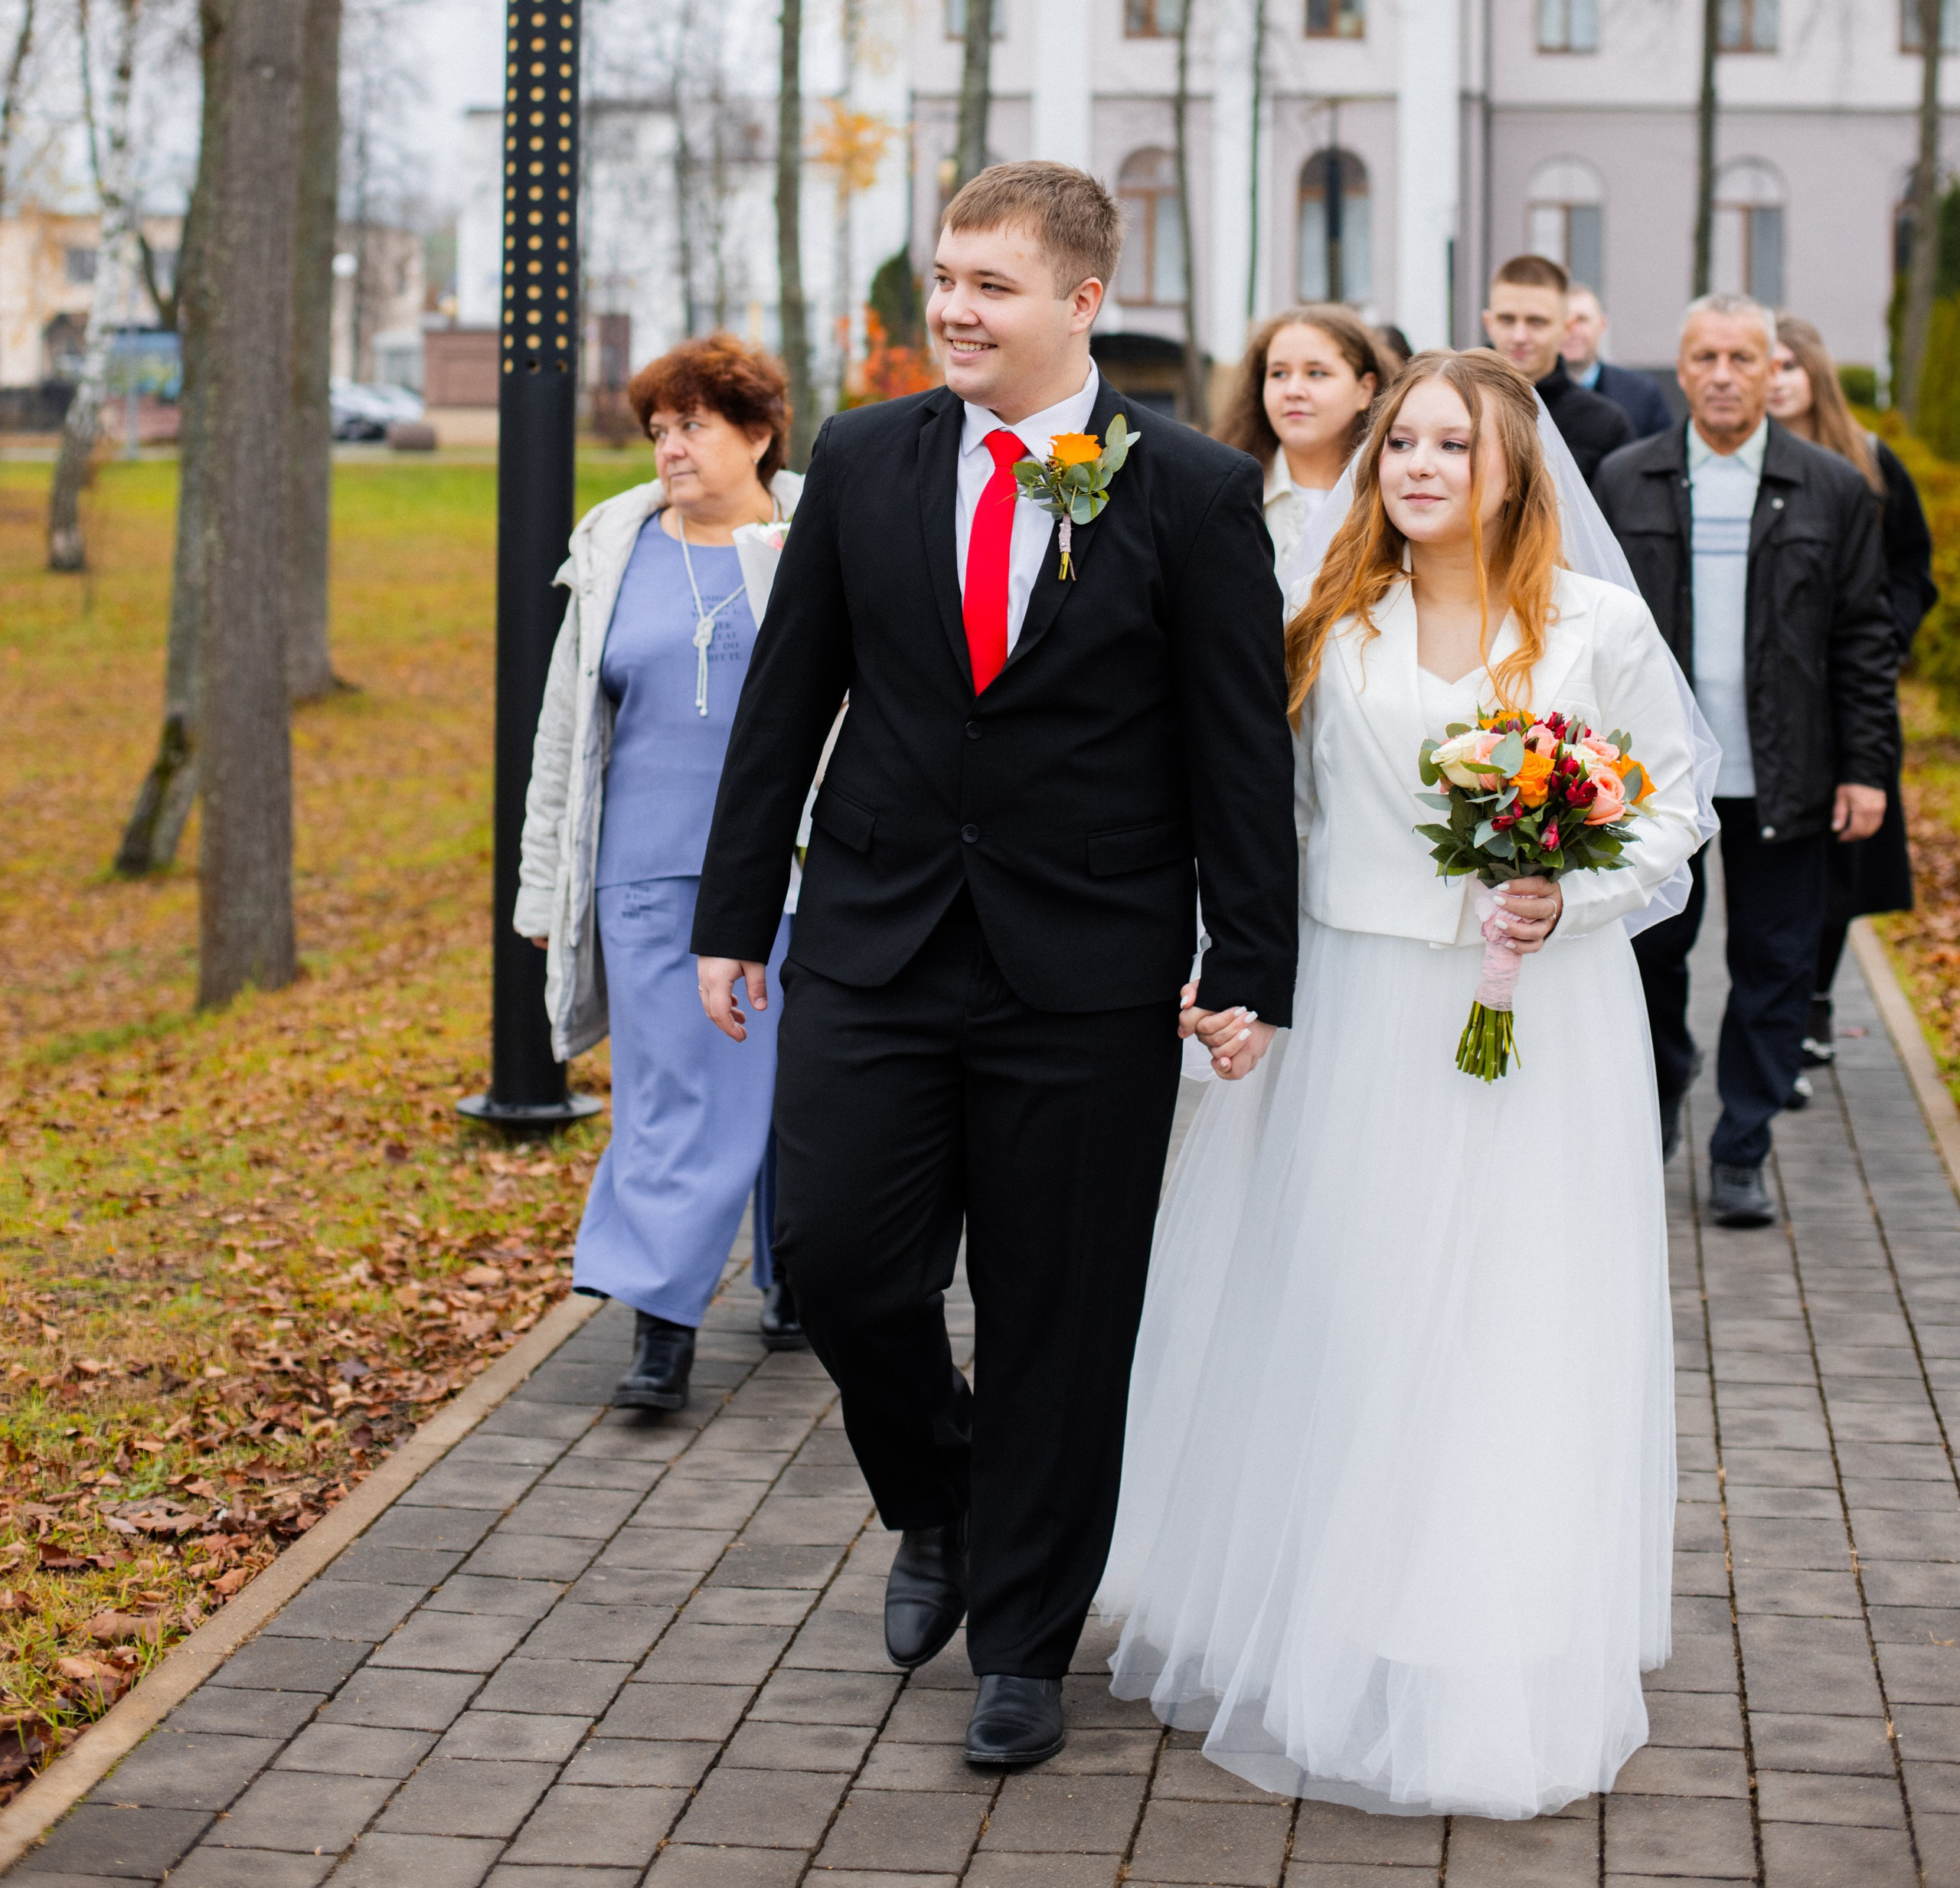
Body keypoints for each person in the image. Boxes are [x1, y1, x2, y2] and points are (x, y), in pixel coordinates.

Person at [691, 160, 1298, 1774]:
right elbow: (786, 700)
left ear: (1080, 301)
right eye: (944, 278)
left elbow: (1236, 747)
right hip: (875, 941)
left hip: (1086, 965)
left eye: (989, 286)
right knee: (833, 1262)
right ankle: (938, 1501)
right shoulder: (864, 454)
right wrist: (732, 910)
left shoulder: (1185, 488)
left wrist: (1250, 958)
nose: (951, 309)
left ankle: (1024, 1636)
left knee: (1059, 1313)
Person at [1102, 351, 1705, 1818]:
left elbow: (1672, 807)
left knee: (1508, 1313)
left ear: (1514, 466)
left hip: (1537, 1018)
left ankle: (1483, 1627)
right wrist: (1230, 972)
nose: (1420, 466)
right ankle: (1332, 1603)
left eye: (1452, 444)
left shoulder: (1594, 628)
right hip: (1358, 1004)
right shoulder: (1328, 625)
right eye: (1401, 445)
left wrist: (1574, 893)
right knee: (1349, 1302)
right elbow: (1263, 822)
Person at [514, 334, 805, 1413]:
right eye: (660, 428)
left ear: (761, 432)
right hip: (645, 874)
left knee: (803, 1087)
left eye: (695, 425)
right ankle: (662, 1320)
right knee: (672, 1097)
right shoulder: (617, 545)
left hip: (797, 869)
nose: (672, 448)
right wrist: (546, 884)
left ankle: (797, 1280)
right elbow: (563, 732)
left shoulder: (817, 534)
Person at [1597, 296, 1896, 1223]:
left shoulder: (1832, 487)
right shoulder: (1624, 478)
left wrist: (1866, 767)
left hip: (1790, 770)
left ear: (1774, 371)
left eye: (1740, 356)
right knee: (1650, 956)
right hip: (1651, 777)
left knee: (1773, 963)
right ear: (1678, 371)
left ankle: (1742, 1147)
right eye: (1702, 356)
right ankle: (1657, 1099)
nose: (1721, 373)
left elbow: (1863, 637)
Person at [1767, 315, 1936, 1068]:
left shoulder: (1866, 462)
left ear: (1814, 375)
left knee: (1843, 847)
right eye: (1760, 364)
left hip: (1852, 686)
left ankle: (1815, 996)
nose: (1772, 379)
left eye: (1785, 366)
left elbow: (1911, 565)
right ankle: (1786, 1001)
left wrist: (1885, 636)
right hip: (1779, 688)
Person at [1215, 305, 1385, 586]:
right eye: (1278, 374)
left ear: (1364, 389)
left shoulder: (1395, 496)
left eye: (1316, 373)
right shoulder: (1222, 492)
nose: (1293, 391)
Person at [1483, 252, 1632, 487]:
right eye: (1507, 320)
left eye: (1536, 322)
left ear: (1566, 328)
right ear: (1488, 323)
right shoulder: (1456, 406)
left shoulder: (1603, 425)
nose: (1519, 336)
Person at [1563, 285, 1673, 439]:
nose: (1571, 331)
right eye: (1563, 321)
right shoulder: (1531, 395)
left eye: (1581, 320)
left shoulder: (1642, 394)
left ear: (1602, 324)